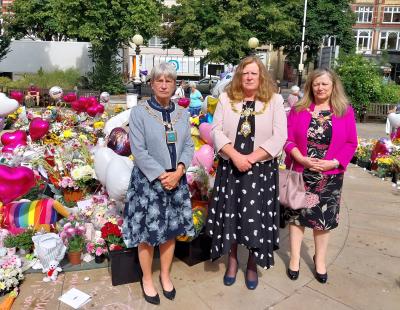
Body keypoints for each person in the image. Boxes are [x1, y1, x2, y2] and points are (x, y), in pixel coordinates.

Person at [206, 56, 287, 290]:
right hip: (231, 166)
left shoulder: (274, 100)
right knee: (231, 215)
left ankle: (252, 263)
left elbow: (280, 136)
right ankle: (232, 261)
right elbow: (216, 131)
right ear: (239, 76)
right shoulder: (225, 98)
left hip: (260, 169)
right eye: (245, 73)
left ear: (261, 76)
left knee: (256, 217)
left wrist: (250, 158)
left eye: (254, 73)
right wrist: (236, 157)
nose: (249, 77)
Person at [123, 62, 195, 305]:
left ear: (175, 85)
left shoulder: (183, 114)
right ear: (151, 84)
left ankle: (165, 275)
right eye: (159, 80)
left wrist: (180, 170)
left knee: (170, 232)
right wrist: (164, 175)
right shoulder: (140, 112)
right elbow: (138, 151)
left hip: (177, 182)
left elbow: (189, 145)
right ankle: (147, 278)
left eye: (169, 80)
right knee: (147, 233)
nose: (164, 84)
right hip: (149, 184)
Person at [283, 68, 357, 284]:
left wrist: (334, 162)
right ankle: (295, 258)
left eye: (325, 84)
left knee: (322, 221)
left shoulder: (344, 111)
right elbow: (288, 140)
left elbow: (351, 143)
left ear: (333, 86)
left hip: (329, 177)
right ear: (310, 86)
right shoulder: (299, 109)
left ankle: (320, 260)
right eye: (316, 84)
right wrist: (301, 159)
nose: (320, 87)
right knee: (297, 218)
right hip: (301, 173)